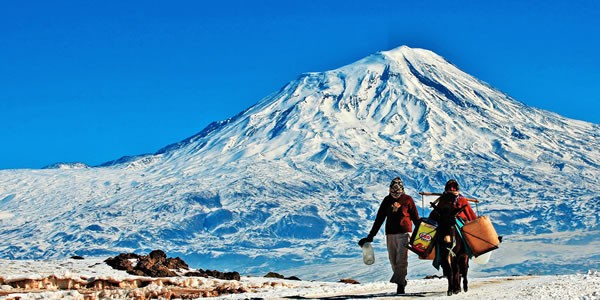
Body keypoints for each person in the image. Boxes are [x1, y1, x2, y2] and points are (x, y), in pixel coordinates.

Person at [358, 176, 420, 294]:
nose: (395, 193)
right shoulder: (387, 200)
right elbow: (379, 219)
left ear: (402, 189)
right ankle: (401, 280)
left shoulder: (408, 200)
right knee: (393, 260)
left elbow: (415, 218)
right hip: (390, 234)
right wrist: (371, 236)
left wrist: (422, 233)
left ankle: (400, 285)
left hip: (405, 233)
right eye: (393, 191)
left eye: (397, 191)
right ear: (389, 190)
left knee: (402, 259)